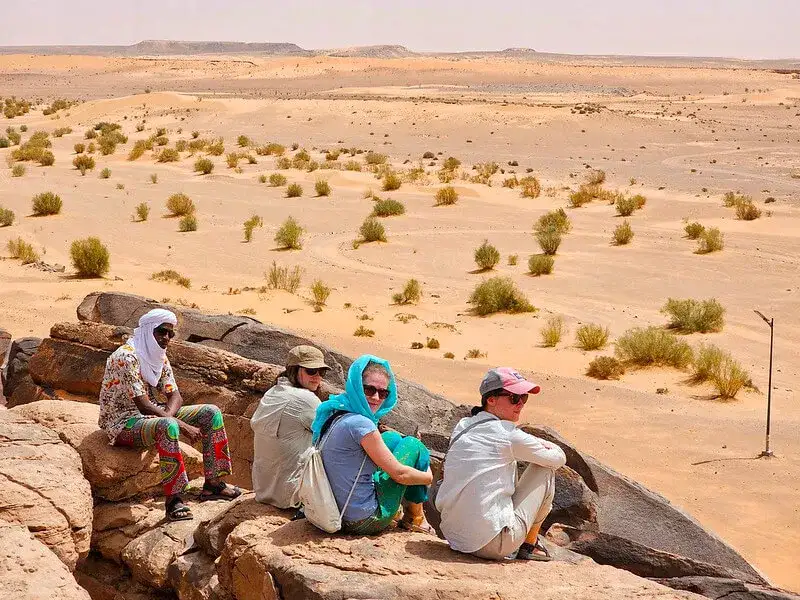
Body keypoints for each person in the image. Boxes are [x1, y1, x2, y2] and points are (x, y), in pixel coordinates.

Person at [98, 308, 240, 521]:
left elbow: (175, 396)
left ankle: (213, 484)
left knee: (211, 412)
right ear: (148, 331)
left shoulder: (158, 355)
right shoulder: (126, 356)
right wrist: (177, 423)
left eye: (170, 334)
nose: (166, 338)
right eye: (161, 332)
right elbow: (143, 404)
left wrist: (169, 416)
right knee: (169, 426)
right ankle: (174, 500)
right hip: (123, 423)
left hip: (151, 416)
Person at [435, 367, 566, 561]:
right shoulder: (507, 434)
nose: (520, 404)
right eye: (514, 398)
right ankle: (529, 545)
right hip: (492, 544)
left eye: (524, 398)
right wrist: (545, 444)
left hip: (454, 537)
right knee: (544, 470)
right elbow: (559, 458)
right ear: (491, 399)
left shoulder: (463, 425)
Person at [311, 355, 433, 535]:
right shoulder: (362, 424)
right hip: (362, 520)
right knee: (413, 444)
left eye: (383, 393)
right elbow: (400, 474)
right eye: (369, 390)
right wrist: (428, 477)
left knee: (391, 438)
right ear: (357, 387)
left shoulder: (338, 411)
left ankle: (408, 514)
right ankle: (415, 516)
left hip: (331, 509)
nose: (376, 398)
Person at [250, 345, 329, 508]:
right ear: (294, 370)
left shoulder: (273, 391)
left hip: (263, 491)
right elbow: (331, 433)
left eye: (322, 372)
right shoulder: (305, 399)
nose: (317, 377)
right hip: (293, 498)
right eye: (311, 371)